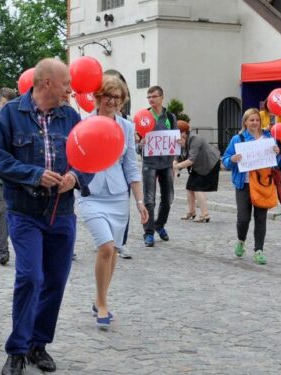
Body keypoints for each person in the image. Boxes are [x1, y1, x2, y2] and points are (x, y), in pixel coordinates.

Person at [0, 58, 90, 375]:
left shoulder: (70, 117)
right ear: (46, 82)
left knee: (56, 281)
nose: (70, 90)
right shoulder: (10, 115)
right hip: (25, 211)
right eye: (65, 84)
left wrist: (76, 175)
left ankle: (38, 345)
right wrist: (34, 175)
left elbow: (86, 155)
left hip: (62, 214)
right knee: (31, 277)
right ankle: (17, 350)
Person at [77, 76, 148, 331]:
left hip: (118, 196)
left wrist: (139, 201)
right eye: (107, 95)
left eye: (117, 97)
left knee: (114, 250)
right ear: (98, 97)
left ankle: (99, 299)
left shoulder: (127, 127)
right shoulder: (84, 123)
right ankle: (103, 303)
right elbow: (76, 158)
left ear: (122, 101)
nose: (112, 101)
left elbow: (130, 165)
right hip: (90, 193)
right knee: (105, 247)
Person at [222, 108, 280, 265]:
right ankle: (241, 240)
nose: (255, 123)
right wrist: (232, 159)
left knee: (261, 218)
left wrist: (277, 152)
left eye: (257, 120)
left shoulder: (268, 138)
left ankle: (259, 250)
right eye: (251, 120)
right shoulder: (238, 139)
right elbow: (225, 159)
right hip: (244, 184)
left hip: (263, 184)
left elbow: (275, 162)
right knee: (243, 218)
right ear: (245, 122)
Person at [139, 85, 177, 247]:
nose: (151, 100)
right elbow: (137, 144)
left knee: (168, 198)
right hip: (149, 163)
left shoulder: (170, 117)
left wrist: (179, 144)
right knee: (149, 199)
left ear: (162, 97)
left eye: (154, 96)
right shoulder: (143, 117)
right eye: (149, 97)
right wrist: (141, 144)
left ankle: (159, 224)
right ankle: (148, 233)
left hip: (167, 163)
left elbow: (175, 138)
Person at [173, 121, 221, 223]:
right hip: (199, 166)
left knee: (198, 188)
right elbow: (179, 154)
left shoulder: (195, 139)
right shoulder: (183, 140)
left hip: (210, 164)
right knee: (190, 187)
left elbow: (191, 159)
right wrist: (175, 161)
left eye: (178, 133)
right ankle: (191, 212)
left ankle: (205, 214)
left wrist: (177, 166)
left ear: (184, 132)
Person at [0, 87, 17, 265]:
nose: (3, 107)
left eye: (7, 104)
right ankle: (2, 250)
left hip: (13, 177)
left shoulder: (17, 123)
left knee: (15, 214)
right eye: (1, 104)